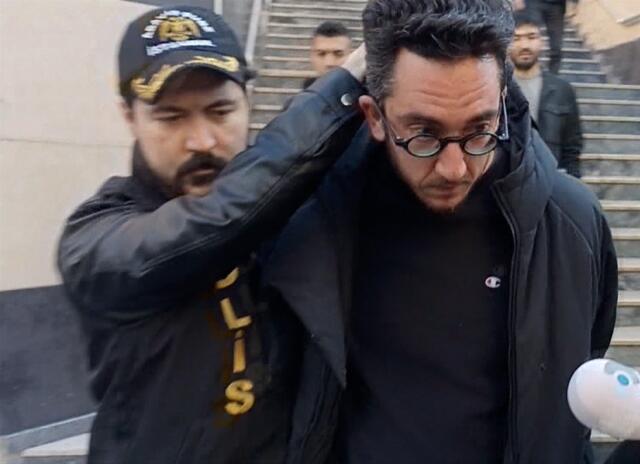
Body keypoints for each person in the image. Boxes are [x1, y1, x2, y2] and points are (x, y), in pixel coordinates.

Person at [260, 0, 617, 462]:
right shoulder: (317, 220)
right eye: (424, 134)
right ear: (374, 117)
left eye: (479, 130)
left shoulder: (572, 224)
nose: (454, 168)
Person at [56, 6, 366, 463]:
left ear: (248, 99)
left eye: (221, 111)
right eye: (170, 117)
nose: (201, 140)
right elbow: (212, 221)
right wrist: (341, 89)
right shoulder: (95, 237)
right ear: (129, 116)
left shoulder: (291, 204)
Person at [510, 10, 583, 177]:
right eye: (516, 38)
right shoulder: (497, 89)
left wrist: (571, 184)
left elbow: (572, 148)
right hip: (507, 183)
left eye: (531, 37)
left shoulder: (562, 90)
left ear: (541, 41)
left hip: (550, 180)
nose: (524, 45)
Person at [304, 21, 353, 89]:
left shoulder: (364, 90)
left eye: (338, 54)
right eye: (321, 54)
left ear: (352, 56)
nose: (329, 63)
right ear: (311, 56)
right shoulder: (309, 89)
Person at [526, 0, 567, 74]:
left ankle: (553, 75)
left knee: (556, 46)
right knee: (530, 38)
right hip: (534, 3)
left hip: (557, 5)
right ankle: (528, 72)